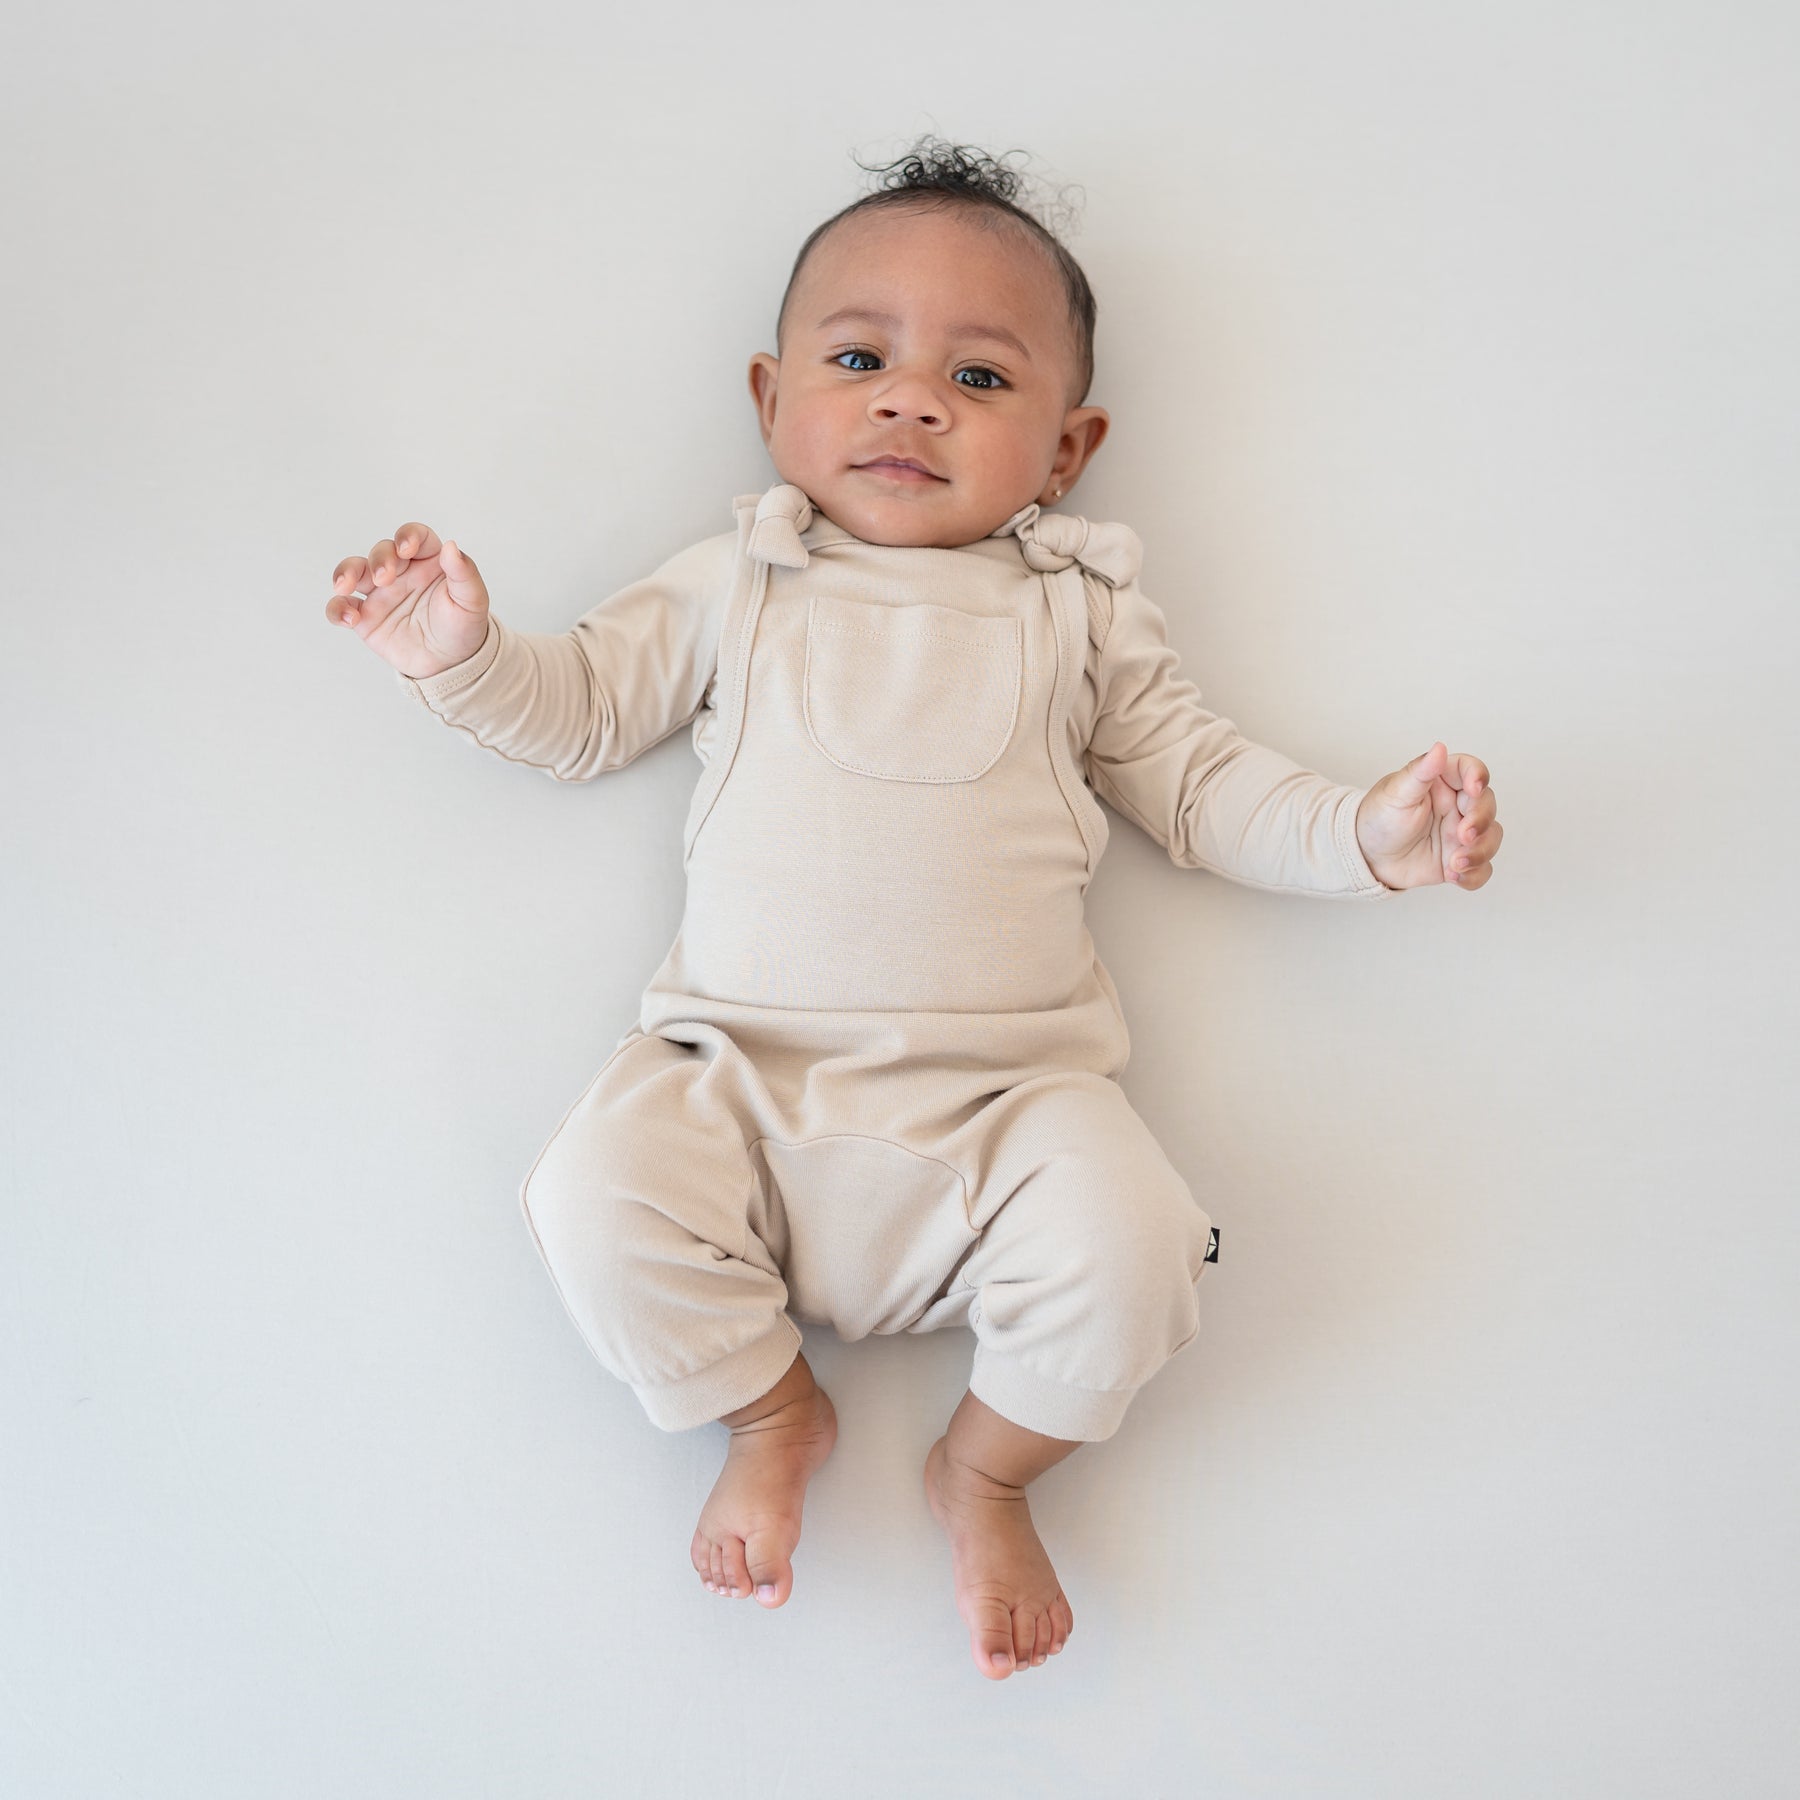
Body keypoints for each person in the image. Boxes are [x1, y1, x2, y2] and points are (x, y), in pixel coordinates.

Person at [323, 138, 1504, 1682]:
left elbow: (1202, 788)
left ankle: (989, 1468)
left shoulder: (1079, 612)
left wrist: (1365, 836)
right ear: (771, 403)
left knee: (1137, 1244)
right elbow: (584, 713)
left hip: (1007, 1112)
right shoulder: (735, 580)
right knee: (589, 1193)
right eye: (861, 357)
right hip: (736, 1084)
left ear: (1068, 450)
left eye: (983, 379)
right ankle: (765, 1408)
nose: (910, 399)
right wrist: (464, 653)